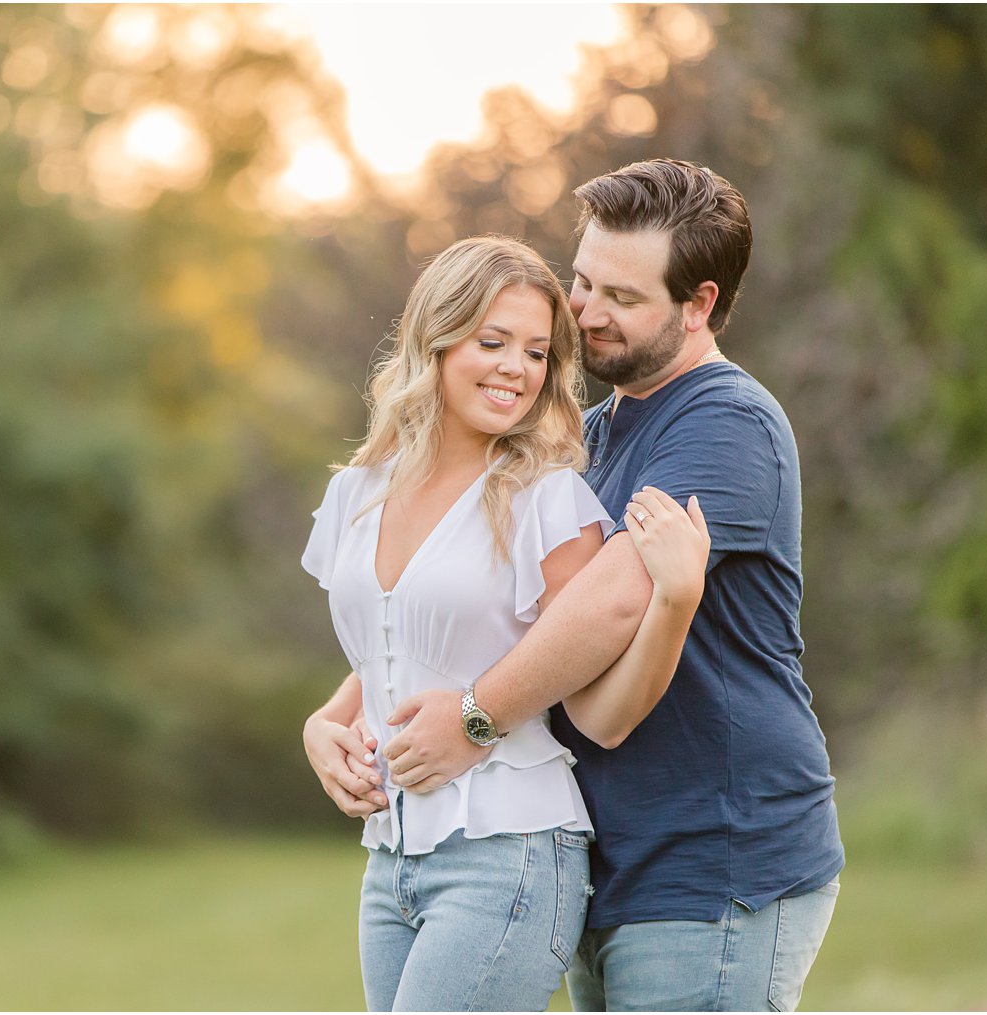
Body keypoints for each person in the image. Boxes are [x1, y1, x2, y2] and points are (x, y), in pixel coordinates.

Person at [368, 160, 845, 1011]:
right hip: (609, 853)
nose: (584, 311)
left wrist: (475, 717)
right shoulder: (589, 432)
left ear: (698, 304)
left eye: (621, 297)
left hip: (712, 862)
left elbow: (618, 595)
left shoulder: (726, 422)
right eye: (581, 281)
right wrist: (337, 716)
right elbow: (472, 597)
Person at [300, 235, 711, 1012]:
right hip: (390, 859)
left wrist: (672, 602)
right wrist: (324, 723)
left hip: (510, 855)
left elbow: (596, 708)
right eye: (492, 342)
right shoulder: (357, 493)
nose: (515, 369)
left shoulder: (547, 501)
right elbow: (399, 645)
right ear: (437, 339)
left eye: (536, 352)